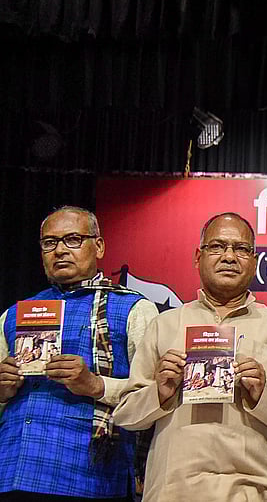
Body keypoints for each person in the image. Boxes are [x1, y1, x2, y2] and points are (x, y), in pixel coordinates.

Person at [113, 213, 267, 501]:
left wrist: (264, 394)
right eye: (218, 246)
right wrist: (160, 392)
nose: (229, 257)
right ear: (198, 257)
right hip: (175, 491)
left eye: (241, 249)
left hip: (256, 491)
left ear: (254, 261)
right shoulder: (165, 324)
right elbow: (127, 414)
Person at [0, 206, 158, 501]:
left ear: (99, 246)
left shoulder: (135, 309)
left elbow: (156, 395)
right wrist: (3, 391)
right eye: (50, 242)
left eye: (73, 239)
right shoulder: (14, 314)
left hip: (90, 477)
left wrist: (96, 385)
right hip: (11, 470)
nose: (60, 250)